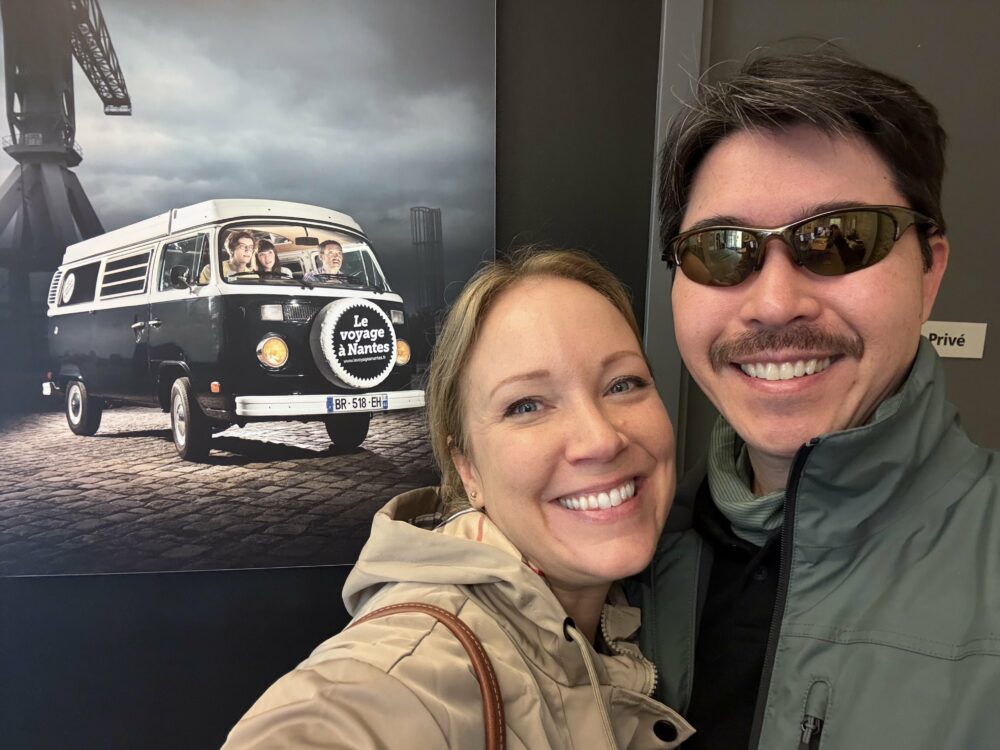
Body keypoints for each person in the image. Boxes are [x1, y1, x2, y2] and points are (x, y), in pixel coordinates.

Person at [629, 51, 1000, 749]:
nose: (774, 305)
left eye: (839, 239)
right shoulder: (622, 569)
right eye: (722, 248)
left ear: (929, 272)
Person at [223, 249, 694, 749]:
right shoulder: (408, 668)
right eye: (526, 405)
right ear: (468, 469)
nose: (600, 440)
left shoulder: (646, 600)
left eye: (623, 383)